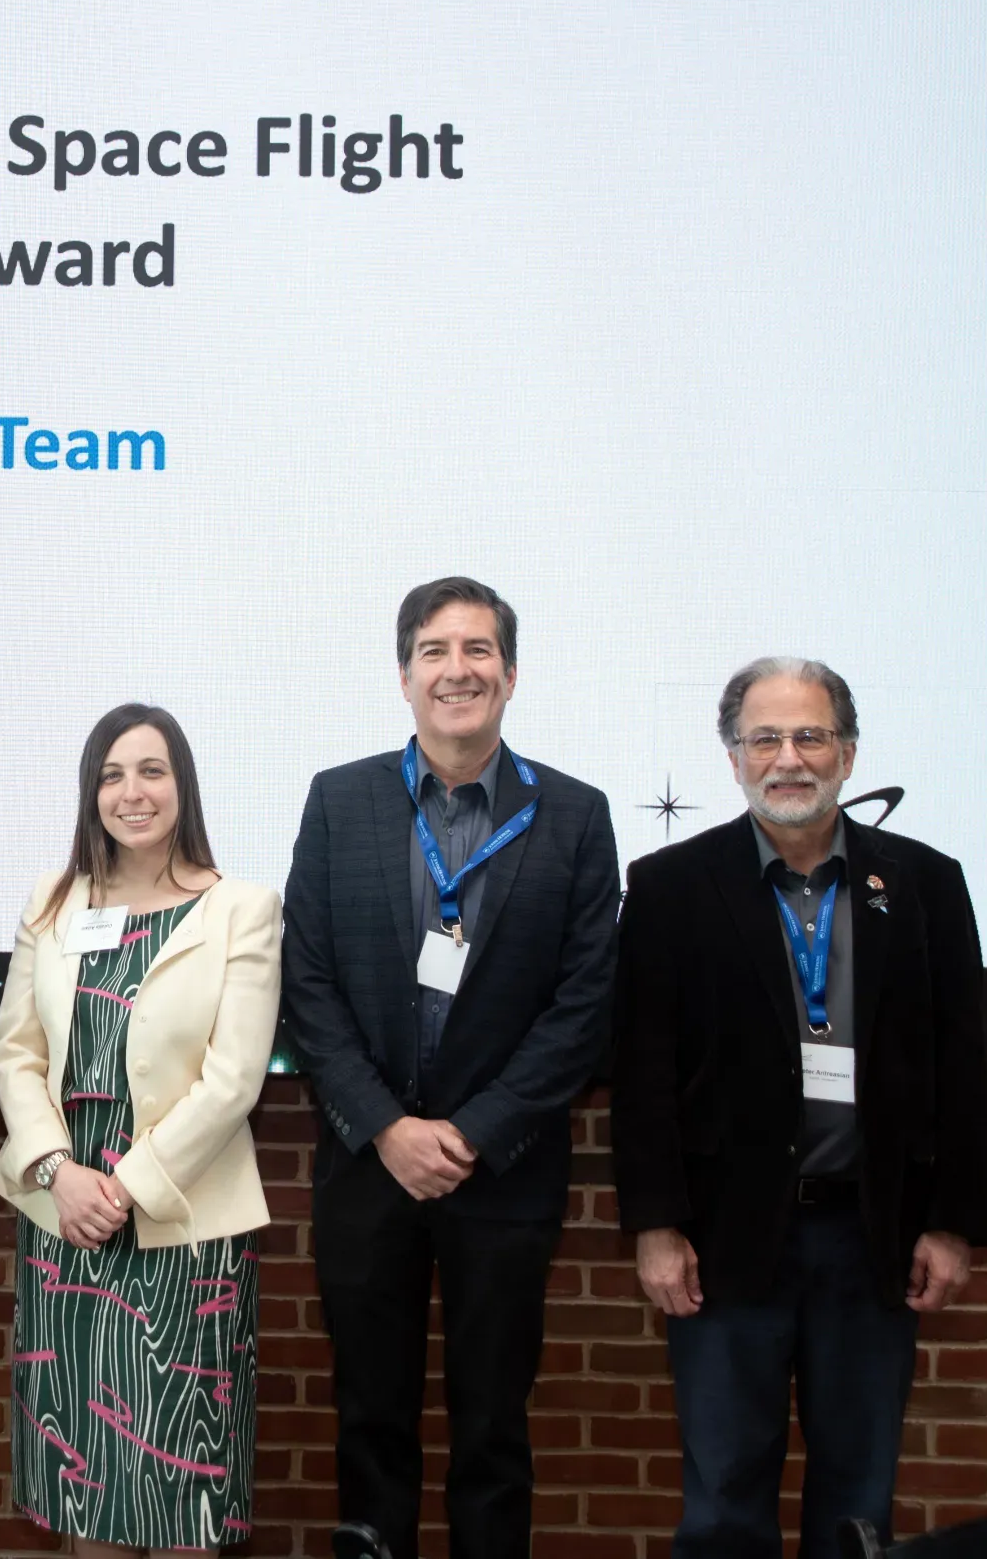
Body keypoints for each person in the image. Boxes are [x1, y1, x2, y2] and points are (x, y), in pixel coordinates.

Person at [611, 657, 987, 1559]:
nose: (789, 758)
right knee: (721, 1507)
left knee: (857, 1504)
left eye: (811, 736)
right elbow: (643, 1069)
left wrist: (954, 1225)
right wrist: (656, 1225)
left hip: (874, 1240)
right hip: (723, 1243)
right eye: (765, 738)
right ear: (735, 757)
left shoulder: (926, 883)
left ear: (849, 754)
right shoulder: (671, 885)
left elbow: (960, 1064)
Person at [282, 576, 620, 1559]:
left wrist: (472, 1129)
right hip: (365, 1165)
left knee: (491, 1428)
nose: (455, 668)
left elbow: (581, 1005)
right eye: (433, 649)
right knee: (368, 1420)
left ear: (509, 675)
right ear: (403, 675)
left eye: (477, 650)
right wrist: (385, 1125)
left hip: (501, 1174)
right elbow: (306, 980)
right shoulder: (339, 799)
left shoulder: (573, 814)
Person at [0, 703, 281, 1555]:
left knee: (183, 1485)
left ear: (183, 786)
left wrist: (127, 1186)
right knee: (87, 1482)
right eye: (112, 774)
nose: (132, 792)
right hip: (65, 1222)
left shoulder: (243, 908)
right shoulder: (53, 900)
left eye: (152, 770)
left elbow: (233, 1078)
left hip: (184, 1227)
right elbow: (16, 1054)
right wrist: (57, 1171)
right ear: (92, 793)